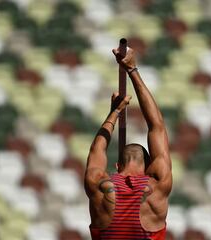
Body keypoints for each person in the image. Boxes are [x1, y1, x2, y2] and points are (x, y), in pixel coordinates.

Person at [84, 46, 172, 239]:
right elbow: (156, 126)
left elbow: (96, 150)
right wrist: (132, 70)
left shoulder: (98, 183)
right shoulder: (158, 185)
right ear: (150, 166)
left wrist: (114, 112)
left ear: (117, 166)